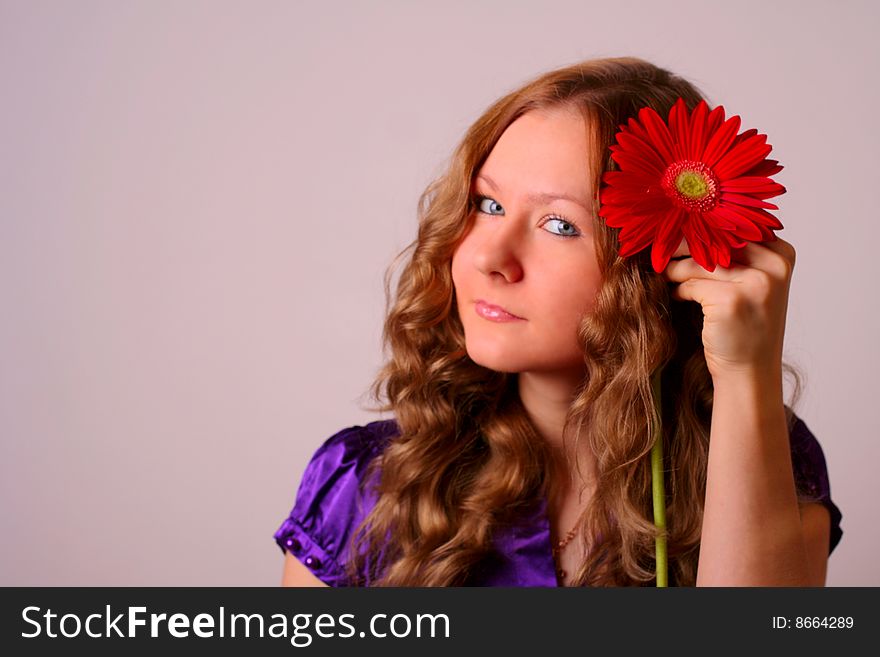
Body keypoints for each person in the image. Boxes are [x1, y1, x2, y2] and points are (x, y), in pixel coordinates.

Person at [274, 56, 843, 587]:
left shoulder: (771, 463)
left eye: (559, 225)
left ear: (663, 265)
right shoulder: (363, 488)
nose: (490, 258)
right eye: (487, 205)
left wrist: (747, 372)